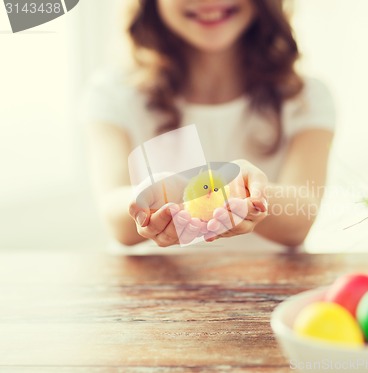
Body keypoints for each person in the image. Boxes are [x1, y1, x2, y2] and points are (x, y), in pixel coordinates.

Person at [82, 0, 335, 251]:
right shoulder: (113, 92)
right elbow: (114, 216)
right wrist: (151, 196)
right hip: (150, 283)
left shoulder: (305, 97)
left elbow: (301, 218)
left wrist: (251, 193)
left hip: (270, 283)